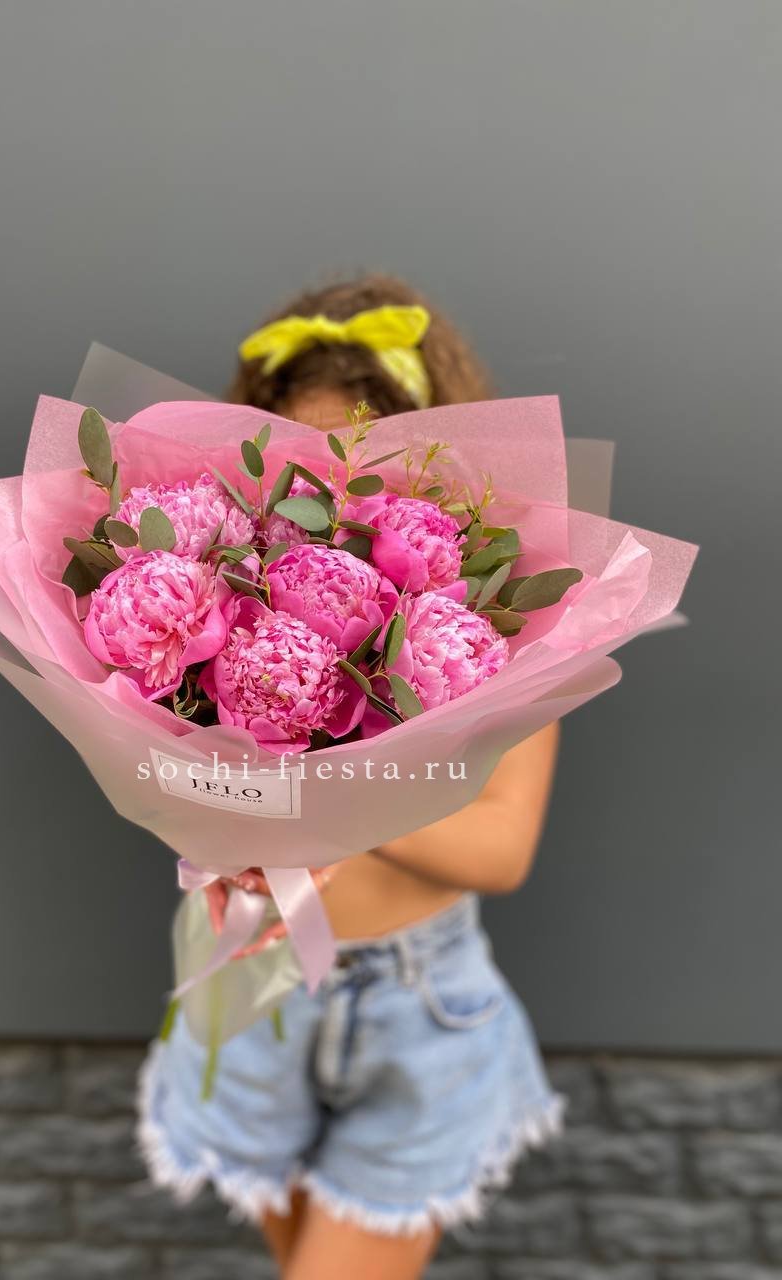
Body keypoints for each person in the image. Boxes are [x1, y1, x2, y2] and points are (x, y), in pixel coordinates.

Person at [136, 273, 566, 1280]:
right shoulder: (226, 605)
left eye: (368, 460)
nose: (333, 493)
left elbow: (503, 851)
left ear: (438, 461)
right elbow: (170, 784)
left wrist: (326, 792)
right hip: (252, 981)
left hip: (417, 1008)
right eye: (301, 460)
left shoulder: (496, 628)